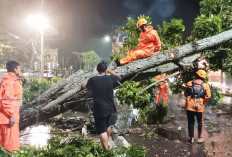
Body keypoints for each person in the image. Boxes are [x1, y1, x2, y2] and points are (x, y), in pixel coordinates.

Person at [81, 61, 121, 150]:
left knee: (101, 131)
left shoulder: (93, 80)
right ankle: (108, 142)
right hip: (110, 107)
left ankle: (106, 151)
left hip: (99, 109)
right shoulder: (110, 78)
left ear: (97, 70)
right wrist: (109, 71)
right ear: (105, 70)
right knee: (108, 125)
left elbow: (86, 86)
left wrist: (83, 84)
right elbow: (118, 77)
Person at [0, 60, 22, 152]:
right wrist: (12, 115)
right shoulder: (10, 82)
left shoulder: (11, 81)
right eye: (19, 69)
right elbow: (6, 101)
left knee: (4, 146)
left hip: (7, 117)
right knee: (11, 147)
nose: (20, 71)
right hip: (8, 118)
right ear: (15, 69)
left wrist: (20, 79)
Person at [184, 70, 211, 143]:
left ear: (196, 75)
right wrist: (203, 102)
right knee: (200, 121)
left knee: (190, 121)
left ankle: (191, 138)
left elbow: (185, 93)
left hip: (189, 105)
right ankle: (200, 138)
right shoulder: (205, 85)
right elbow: (208, 96)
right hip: (199, 106)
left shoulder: (189, 83)